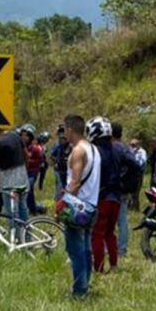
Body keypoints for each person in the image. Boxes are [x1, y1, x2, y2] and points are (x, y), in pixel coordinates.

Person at [61, 115, 99, 297]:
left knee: (75, 251)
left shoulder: (78, 151)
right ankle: (85, 283)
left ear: (70, 129)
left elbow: (75, 183)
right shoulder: (94, 149)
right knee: (85, 248)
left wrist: (62, 204)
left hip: (78, 207)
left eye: (64, 130)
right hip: (92, 205)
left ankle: (79, 290)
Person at [87, 117, 121, 273]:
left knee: (97, 234)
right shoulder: (118, 149)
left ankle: (98, 268)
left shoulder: (95, 151)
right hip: (116, 197)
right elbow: (136, 166)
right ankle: (114, 265)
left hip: (101, 198)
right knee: (110, 233)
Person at [111, 123, 143, 258]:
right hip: (124, 190)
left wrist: (120, 177)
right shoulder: (126, 149)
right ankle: (121, 249)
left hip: (114, 189)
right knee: (122, 220)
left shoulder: (112, 148)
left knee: (111, 221)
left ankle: (113, 248)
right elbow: (138, 166)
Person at [0, 127, 29, 243]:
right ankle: (27, 237)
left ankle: (16, 239)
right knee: (23, 208)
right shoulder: (15, 135)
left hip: (8, 178)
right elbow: (25, 154)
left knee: (11, 211)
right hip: (22, 174)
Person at [20, 125, 44, 215]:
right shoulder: (19, 147)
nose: (24, 137)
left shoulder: (35, 149)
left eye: (26, 135)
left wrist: (28, 160)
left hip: (31, 173)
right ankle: (27, 208)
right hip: (22, 173)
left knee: (29, 188)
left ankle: (33, 210)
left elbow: (40, 161)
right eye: (22, 135)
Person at [50, 127, 71, 200]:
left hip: (68, 171)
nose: (61, 140)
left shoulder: (71, 146)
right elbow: (52, 155)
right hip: (60, 170)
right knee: (60, 186)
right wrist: (57, 160)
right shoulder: (58, 146)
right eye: (60, 138)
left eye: (63, 138)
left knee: (67, 187)